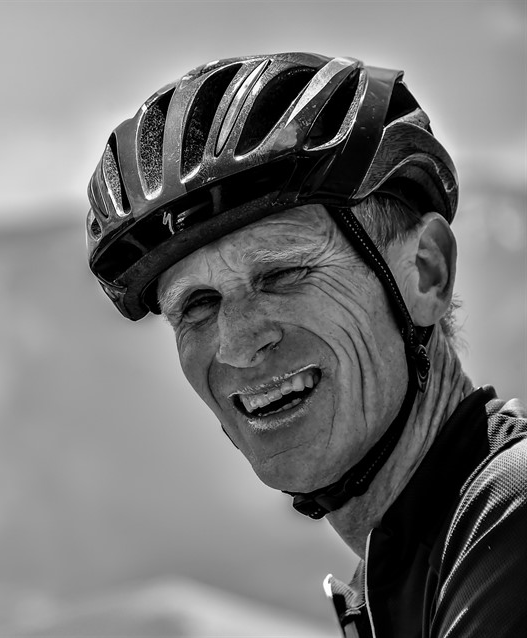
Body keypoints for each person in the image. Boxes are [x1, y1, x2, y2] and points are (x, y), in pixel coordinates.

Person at [84, 52, 526, 637]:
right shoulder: (427, 564)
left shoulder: (512, 523)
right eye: (197, 305)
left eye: (282, 274)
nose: (237, 344)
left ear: (426, 272)